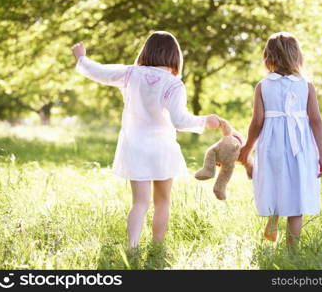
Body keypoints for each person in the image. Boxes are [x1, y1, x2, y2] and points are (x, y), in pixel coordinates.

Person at [71, 31, 220, 249]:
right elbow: (179, 120)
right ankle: (157, 246)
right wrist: (205, 120)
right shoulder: (174, 84)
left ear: (146, 51)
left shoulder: (131, 74)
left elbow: (100, 72)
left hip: (135, 147)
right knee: (163, 201)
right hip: (162, 148)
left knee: (139, 203)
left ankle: (132, 247)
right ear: (174, 57)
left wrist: (82, 58)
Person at [238, 32, 322, 247]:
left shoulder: (263, 86)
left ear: (268, 57)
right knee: (296, 195)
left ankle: (273, 219)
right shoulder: (306, 85)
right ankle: (291, 252)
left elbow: (257, 121)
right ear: (297, 56)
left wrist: (247, 148)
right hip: (300, 146)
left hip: (271, 144)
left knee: (273, 182)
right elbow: (316, 120)